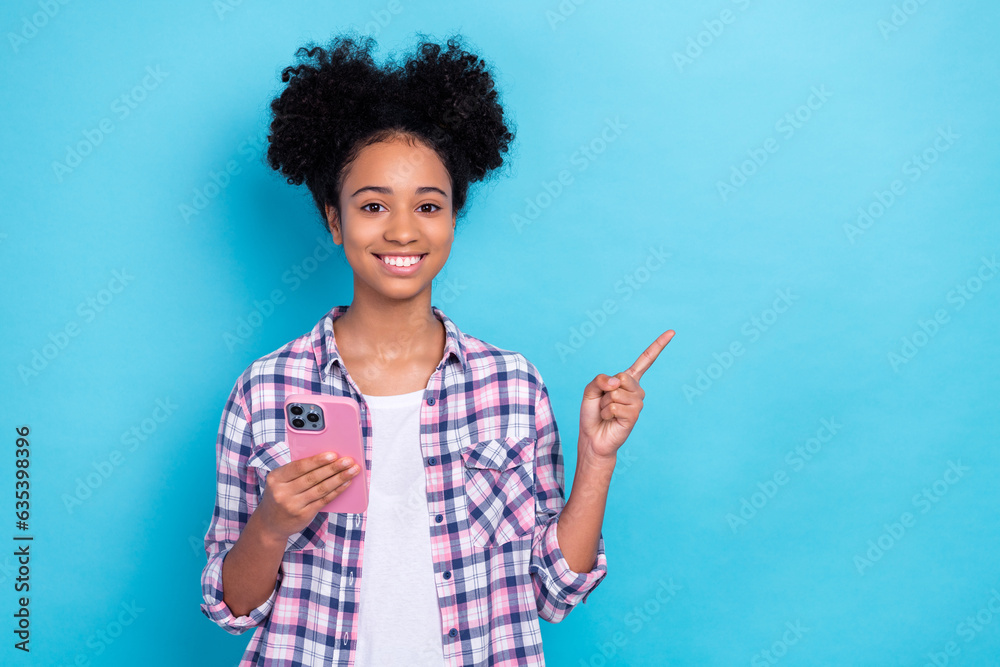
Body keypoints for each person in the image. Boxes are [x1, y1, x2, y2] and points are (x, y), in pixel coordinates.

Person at [199, 31, 673, 666]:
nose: (402, 230)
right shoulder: (266, 389)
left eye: (428, 205)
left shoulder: (511, 385)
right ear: (334, 219)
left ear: (453, 217)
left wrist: (596, 459)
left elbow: (554, 590)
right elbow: (232, 609)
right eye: (372, 205)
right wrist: (271, 526)